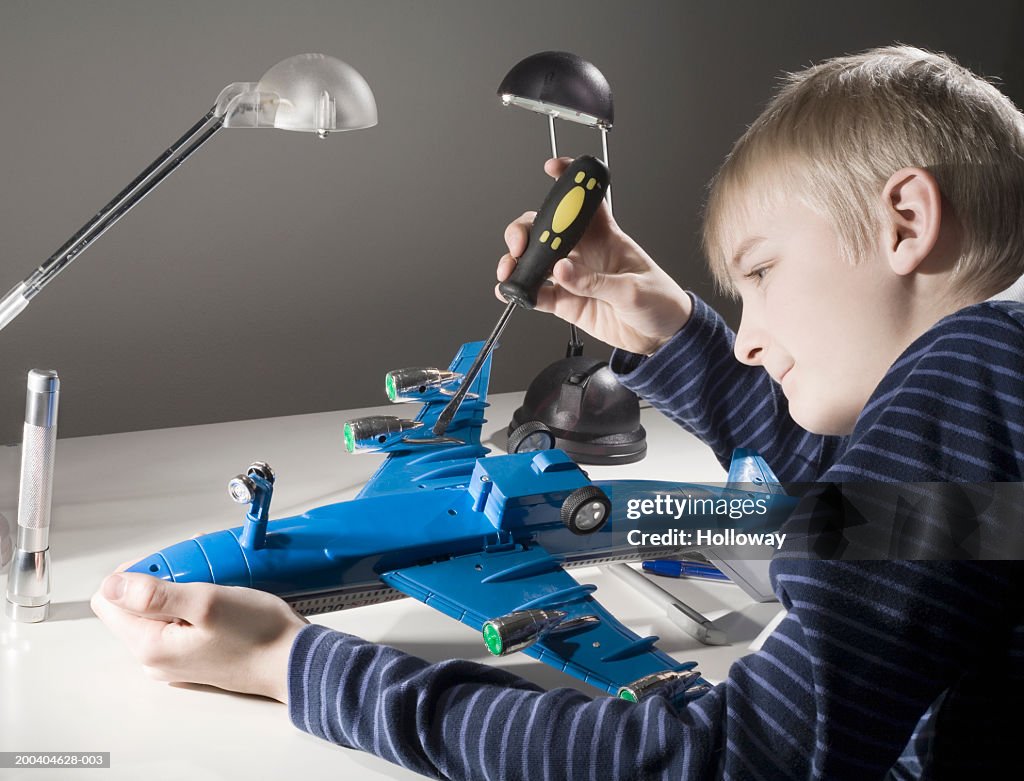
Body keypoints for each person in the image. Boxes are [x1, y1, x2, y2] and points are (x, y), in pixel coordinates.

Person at [92, 46, 1024, 778]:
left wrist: (299, 668)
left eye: (763, 275)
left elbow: (731, 758)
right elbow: (881, 519)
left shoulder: (976, 359)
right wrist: (671, 333)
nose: (750, 337)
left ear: (906, 219)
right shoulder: (1000, 380)